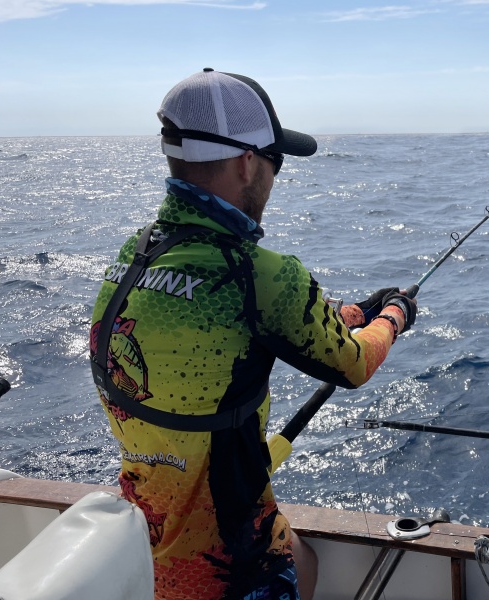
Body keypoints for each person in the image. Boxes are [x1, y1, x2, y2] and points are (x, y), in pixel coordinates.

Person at [88, 67, 416, 600]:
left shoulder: (136, 253)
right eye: (274, 161)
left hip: (147, 540)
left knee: (302, 557)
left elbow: (233, 320)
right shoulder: (262, 274)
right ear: (246, 162)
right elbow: (353, 365)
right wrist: (394, 314)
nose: (274, 176)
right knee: (295, 559)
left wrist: (351, 312)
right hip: (228, 563)